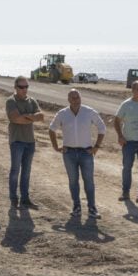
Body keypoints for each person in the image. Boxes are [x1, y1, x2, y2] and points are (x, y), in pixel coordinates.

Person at [49, 89, 106, 219]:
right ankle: (76, 207)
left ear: (81, 98)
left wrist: (96, 146)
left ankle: (92, 208)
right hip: (68, 153)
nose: (75, 100)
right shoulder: (62, 114)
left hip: (86, 152)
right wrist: (55, 146)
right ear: (68, 99)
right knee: (73, 181)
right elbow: (51, 129)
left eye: (77, 97)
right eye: (73, 98)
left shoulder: (89, 112)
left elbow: (102, 128)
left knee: (89, 181)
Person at [5, 76, 44, 209]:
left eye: (26, 87)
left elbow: (41, 116)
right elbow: (15, 119)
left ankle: (25, 199)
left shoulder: (31, 100)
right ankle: (13, 198)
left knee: (26, 172)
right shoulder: (11, 101)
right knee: (15, 171)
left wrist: (27, 116)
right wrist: (31, 117)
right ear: (15, 87)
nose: (24, 89)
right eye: (21, 87)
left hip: (30, 141)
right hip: (16, 141)